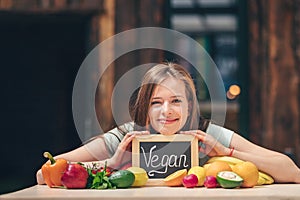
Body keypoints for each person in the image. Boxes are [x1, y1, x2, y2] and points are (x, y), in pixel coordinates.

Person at [36, 62, 300, 184]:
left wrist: (227, 152)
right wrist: (111, 163)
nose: (167, 111)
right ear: (145, 107)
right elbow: (44, 174)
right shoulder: (127, 137)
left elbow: (292, 172)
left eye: (176, 101)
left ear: (189, 104)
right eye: (155, 102)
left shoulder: (208, 133)